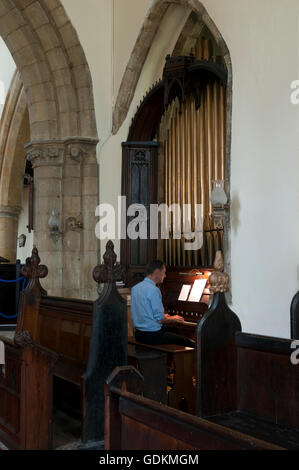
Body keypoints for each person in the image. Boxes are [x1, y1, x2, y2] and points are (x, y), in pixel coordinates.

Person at [131, 260, 195, 348]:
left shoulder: (135, 288)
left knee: (174, 333)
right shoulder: (154, 290)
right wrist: (174, 318)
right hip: (153, 336)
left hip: (139, 334)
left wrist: (167, 316)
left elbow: (146, 312)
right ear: (157, 272)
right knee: (188, 342)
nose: (165, 276)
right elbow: (160, 320)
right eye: (164, 272)